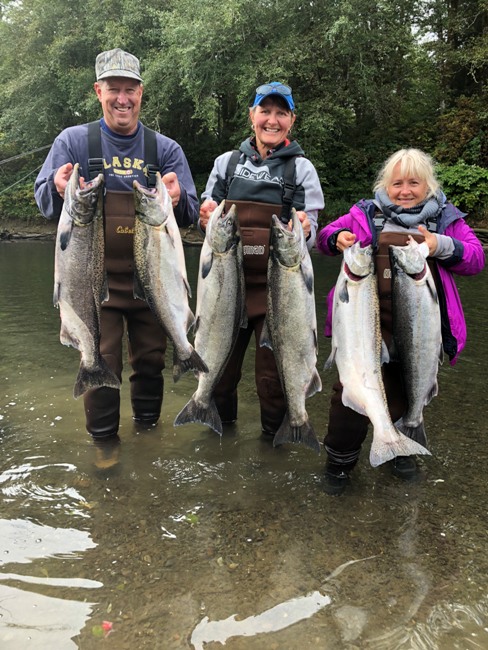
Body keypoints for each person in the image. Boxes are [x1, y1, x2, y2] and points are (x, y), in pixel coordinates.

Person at [35, 48, 199, 464]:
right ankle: (104, 448)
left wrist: (178, 199)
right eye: (113, 89)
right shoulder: (73, 141)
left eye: (130, 90)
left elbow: (192, 213)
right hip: (93, 281)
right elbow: (44, 202)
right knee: (100, 359)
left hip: (152, 281)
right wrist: (56, 186)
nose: (122, 98)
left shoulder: (164, 148)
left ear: (141, 93)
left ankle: (147, 438)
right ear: (98, 91)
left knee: (150, 362)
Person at [316, 148, 485, 495]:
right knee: (348, 397)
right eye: (397, 184)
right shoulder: (365, 213)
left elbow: (475, 258)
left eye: (414, 183)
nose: (405, 190)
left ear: (428, 186)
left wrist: (440, 244)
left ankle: (401, 448)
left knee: (409, 393)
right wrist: (337, 239)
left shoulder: (448, 220)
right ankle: (340, 463)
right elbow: (324, 238)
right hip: (366, 329)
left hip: (418, 331)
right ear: (385, 185)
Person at [198, 81, 324, 436]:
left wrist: (306, 227)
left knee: (272, 383)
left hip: (279, 294)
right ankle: (219, 441)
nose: (272, 120)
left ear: (292, 120)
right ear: (251, 115)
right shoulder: (226, 163)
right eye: (264, 111)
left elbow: (310, 229)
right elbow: (207, 215)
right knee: (218, 375)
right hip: (226, 288)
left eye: (280, 113)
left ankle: (275, 444)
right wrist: (204, 216)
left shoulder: (302, 169)